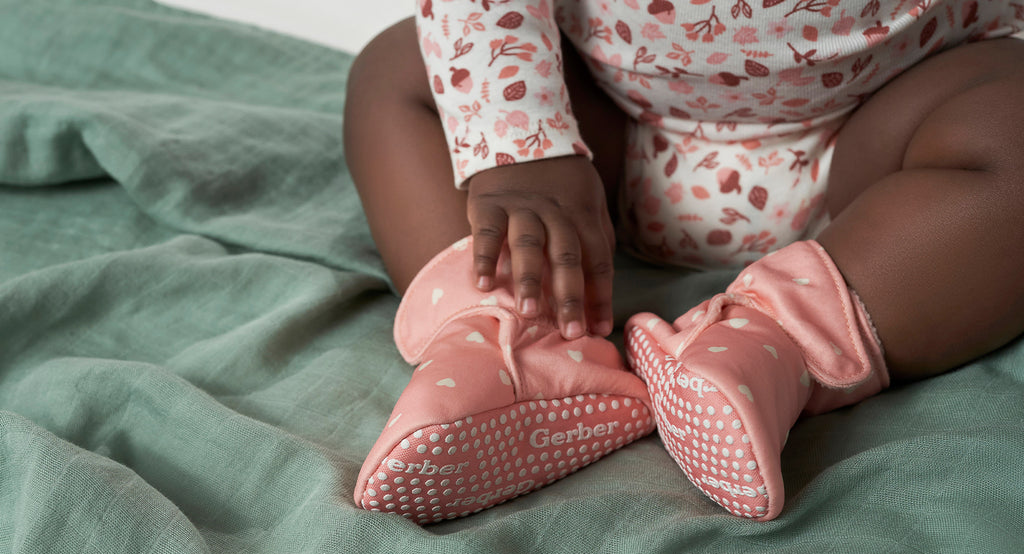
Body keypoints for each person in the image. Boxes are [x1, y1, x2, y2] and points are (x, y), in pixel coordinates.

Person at [344, 0, 1024, 523]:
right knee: (400, 70)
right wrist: (519, 145)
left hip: (881, 128)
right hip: (601, 130)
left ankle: (776, 345)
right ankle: (510, 336)